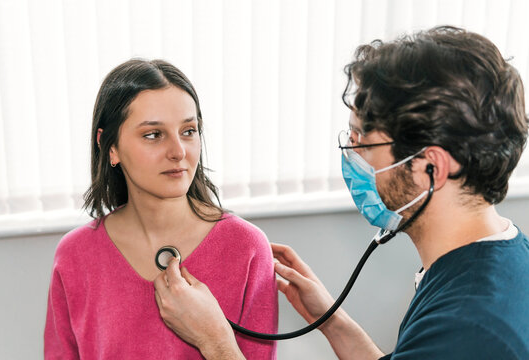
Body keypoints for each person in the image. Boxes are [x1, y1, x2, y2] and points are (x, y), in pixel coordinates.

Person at [152, 26, 529, 359]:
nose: (351, 154)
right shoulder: (495, 259)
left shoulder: (470, 328)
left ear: (430, 167)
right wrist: (329, 318)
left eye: (362, 139)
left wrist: (215, 342)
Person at [44, 59, 278, 359]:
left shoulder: (247, 247)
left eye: (189, 131)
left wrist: (214, 340)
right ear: (110, 146)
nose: (178, 151)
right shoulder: (74, 255)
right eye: (154, 134)